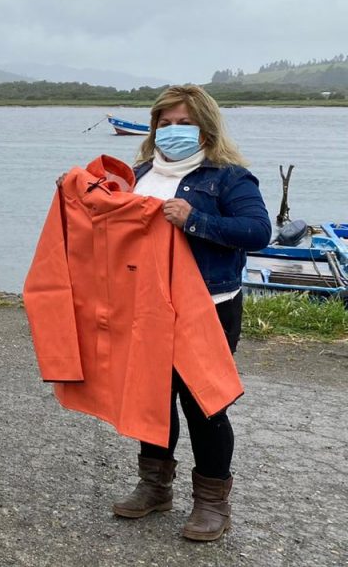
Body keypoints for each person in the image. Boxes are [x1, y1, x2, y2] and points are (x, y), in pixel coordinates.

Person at [110, 85, 271, 540]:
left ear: (206, 127)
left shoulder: (228, 176)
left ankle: (212, 505)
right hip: (146, 306)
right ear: (154, 125)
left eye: (185, 123)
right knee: (152, 397)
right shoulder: (139, 172)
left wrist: (195, 220)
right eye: (166, 122)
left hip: (209, 308)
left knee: (205, 404)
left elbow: (258, 230)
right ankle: (155, 486)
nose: (174, 131)